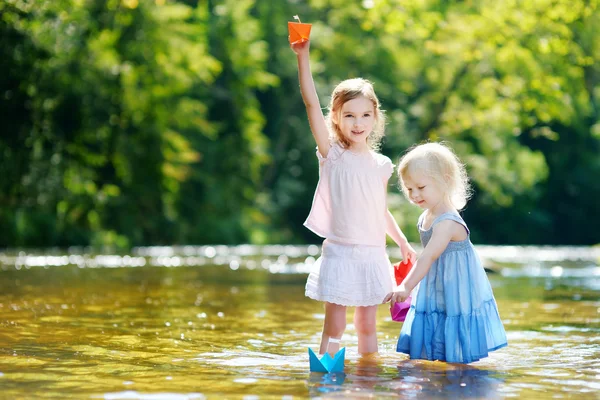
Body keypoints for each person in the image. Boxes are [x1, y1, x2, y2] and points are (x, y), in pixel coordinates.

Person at [290, 37, 417, 357]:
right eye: (349, 115)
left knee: (367, 325)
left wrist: (401, 241)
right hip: (341, 254)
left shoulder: (381, 165)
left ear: (375, 117)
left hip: (373, 255)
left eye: (364, 115)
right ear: (335, 116)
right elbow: (308, 102)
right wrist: (303, 56)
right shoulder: (331, 154)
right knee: (334, 324)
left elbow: (380, 210)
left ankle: (367, 375)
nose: (357, 123)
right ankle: (325, 371)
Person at [384, 142, 508, 363]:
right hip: (436, 282)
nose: (414, 195)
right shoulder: (426, 216)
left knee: (455, 342)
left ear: (446, 181)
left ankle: (458, 382)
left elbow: (430, 255)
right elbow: (427, 256)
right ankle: (436, 379)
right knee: (436, 331)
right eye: (409, 188)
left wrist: (406, 286)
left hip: (456, 287)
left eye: (421, 188)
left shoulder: (447, 222)